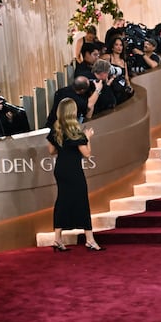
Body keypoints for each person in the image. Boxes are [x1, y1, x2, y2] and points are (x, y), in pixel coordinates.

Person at [46, 98, 105, 252]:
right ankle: (90, 240)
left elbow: (52, 152)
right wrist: (88, 138)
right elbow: (87, 154)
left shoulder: (55, 129)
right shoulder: (76, 131)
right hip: (73, 170)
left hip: (60, 169)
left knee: (62, 201)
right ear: (73, 112)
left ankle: (57, 239)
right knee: (82, 202)